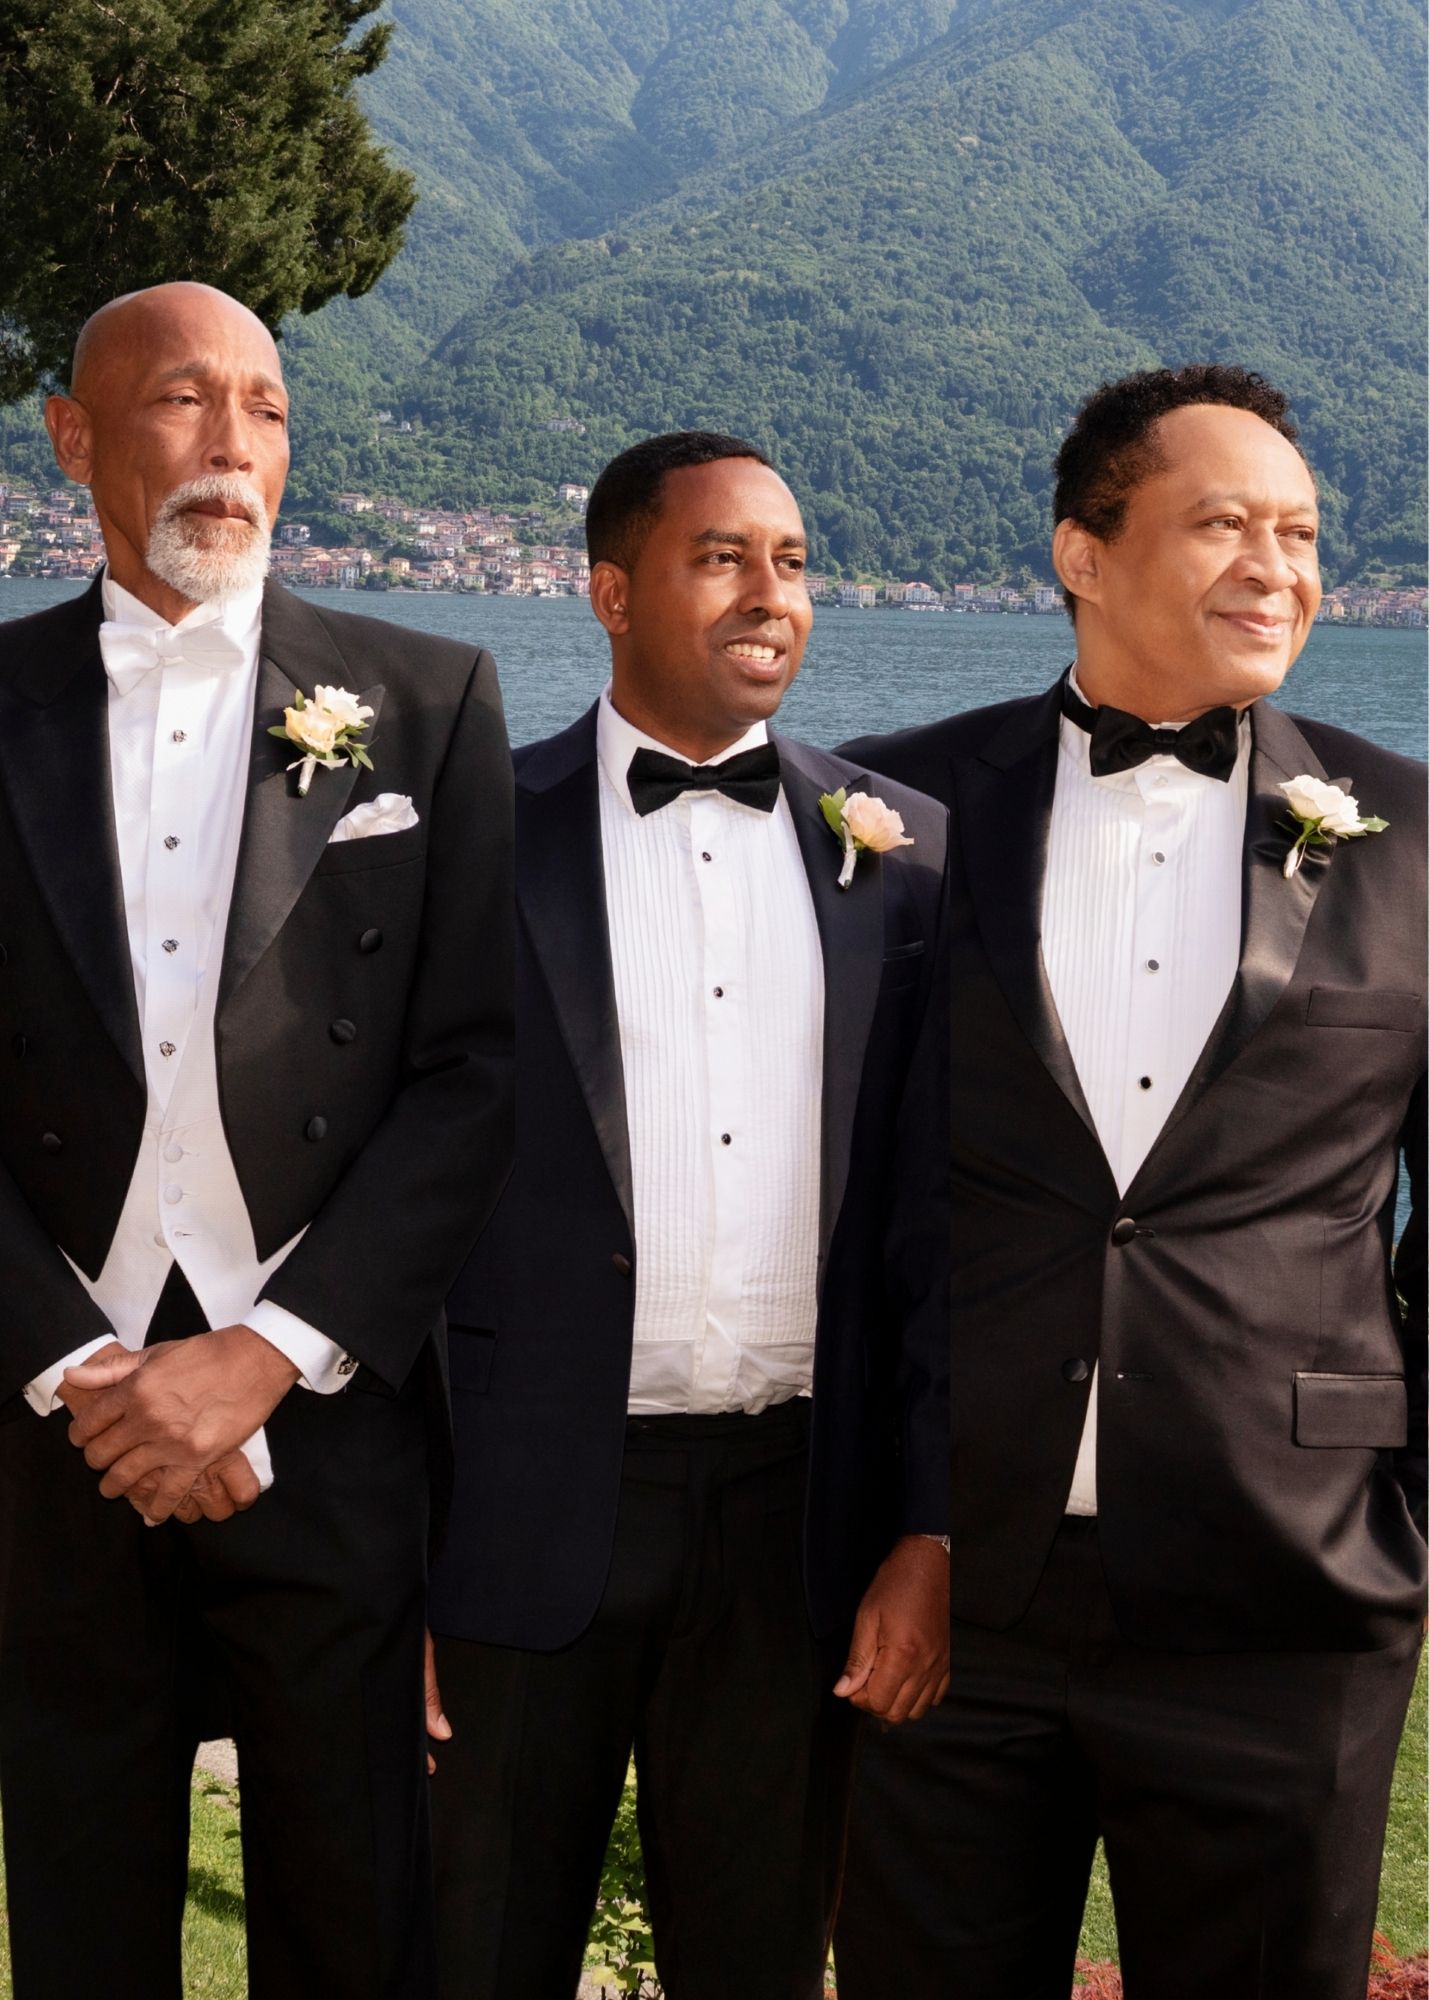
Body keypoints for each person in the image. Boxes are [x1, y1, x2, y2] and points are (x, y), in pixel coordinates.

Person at [831, 364, 1426, 2000]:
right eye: (1224, 523)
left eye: (1300, 532)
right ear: (1080, 553)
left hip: (1287, 1598)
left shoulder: (1412, 835)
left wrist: (1403, 1524)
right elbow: (831, 1198)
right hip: (946, 1596)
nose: (1275, 567)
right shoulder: (887, 812)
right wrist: (881, 1509)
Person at [0, 282, 514, 2000]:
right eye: (183, 401)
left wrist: (264, 1354)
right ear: (73, 438)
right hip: (53, 1423)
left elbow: (472, 1073)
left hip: (321, 1406)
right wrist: (82, 1366)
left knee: (353, 1915)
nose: (234, 445)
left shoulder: (427, 699)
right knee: (79, 1910)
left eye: (269, 409)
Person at [424, 431, 951, 1998]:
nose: (768, 595)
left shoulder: (904, 854)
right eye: (720, 558)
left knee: (762, 1960)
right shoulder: (470, 830)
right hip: (516, 1516)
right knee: (473, 1953)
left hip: (797, 1519)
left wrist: (925, 1526)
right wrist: (394, 1560)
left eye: (789, 562)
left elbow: (934, 1236)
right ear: (608, 591)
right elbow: (392, 1194)